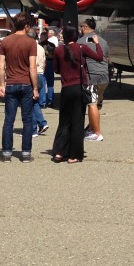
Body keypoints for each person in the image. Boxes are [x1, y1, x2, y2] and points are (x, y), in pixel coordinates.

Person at [51, 24, 103, 163]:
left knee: (64, 121)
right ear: (77, 36)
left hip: (66, 88)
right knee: (77, 121)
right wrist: (97, 44)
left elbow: (56, 69)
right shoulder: (82, 48)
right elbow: (99, 57)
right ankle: (74, 155)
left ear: (65, 36)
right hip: (79, 87)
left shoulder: (58, 50)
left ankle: (60, 152)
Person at [0, 12, 39, 163]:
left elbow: (1, 65)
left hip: (11, 84)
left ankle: (7, 153)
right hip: (26, 84)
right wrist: (35, 87)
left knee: (9, 119)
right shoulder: (31, 42)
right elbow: (32, 67)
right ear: (26, 26)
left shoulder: (5, 42)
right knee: (27, 119)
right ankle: (26, 153)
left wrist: (2, 84)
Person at [80, 19, 110, 142]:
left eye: (81, 26)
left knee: (91, 104)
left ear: (85, 27)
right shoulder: (103, 41)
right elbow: (107, 57)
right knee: (97, 104)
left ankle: (96, 133)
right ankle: (90, 127)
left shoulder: (81, 41)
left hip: (91, 76)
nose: (80, 29)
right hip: (104, 77)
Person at [31, 30, 49, 136]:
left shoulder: (31, 48)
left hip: (35, 74)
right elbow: (45, 62)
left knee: (30, 102)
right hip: (41, 74)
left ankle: (34, 127)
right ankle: (42, 123)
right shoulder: (41, 48)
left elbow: (32, 64)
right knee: (35, 102)